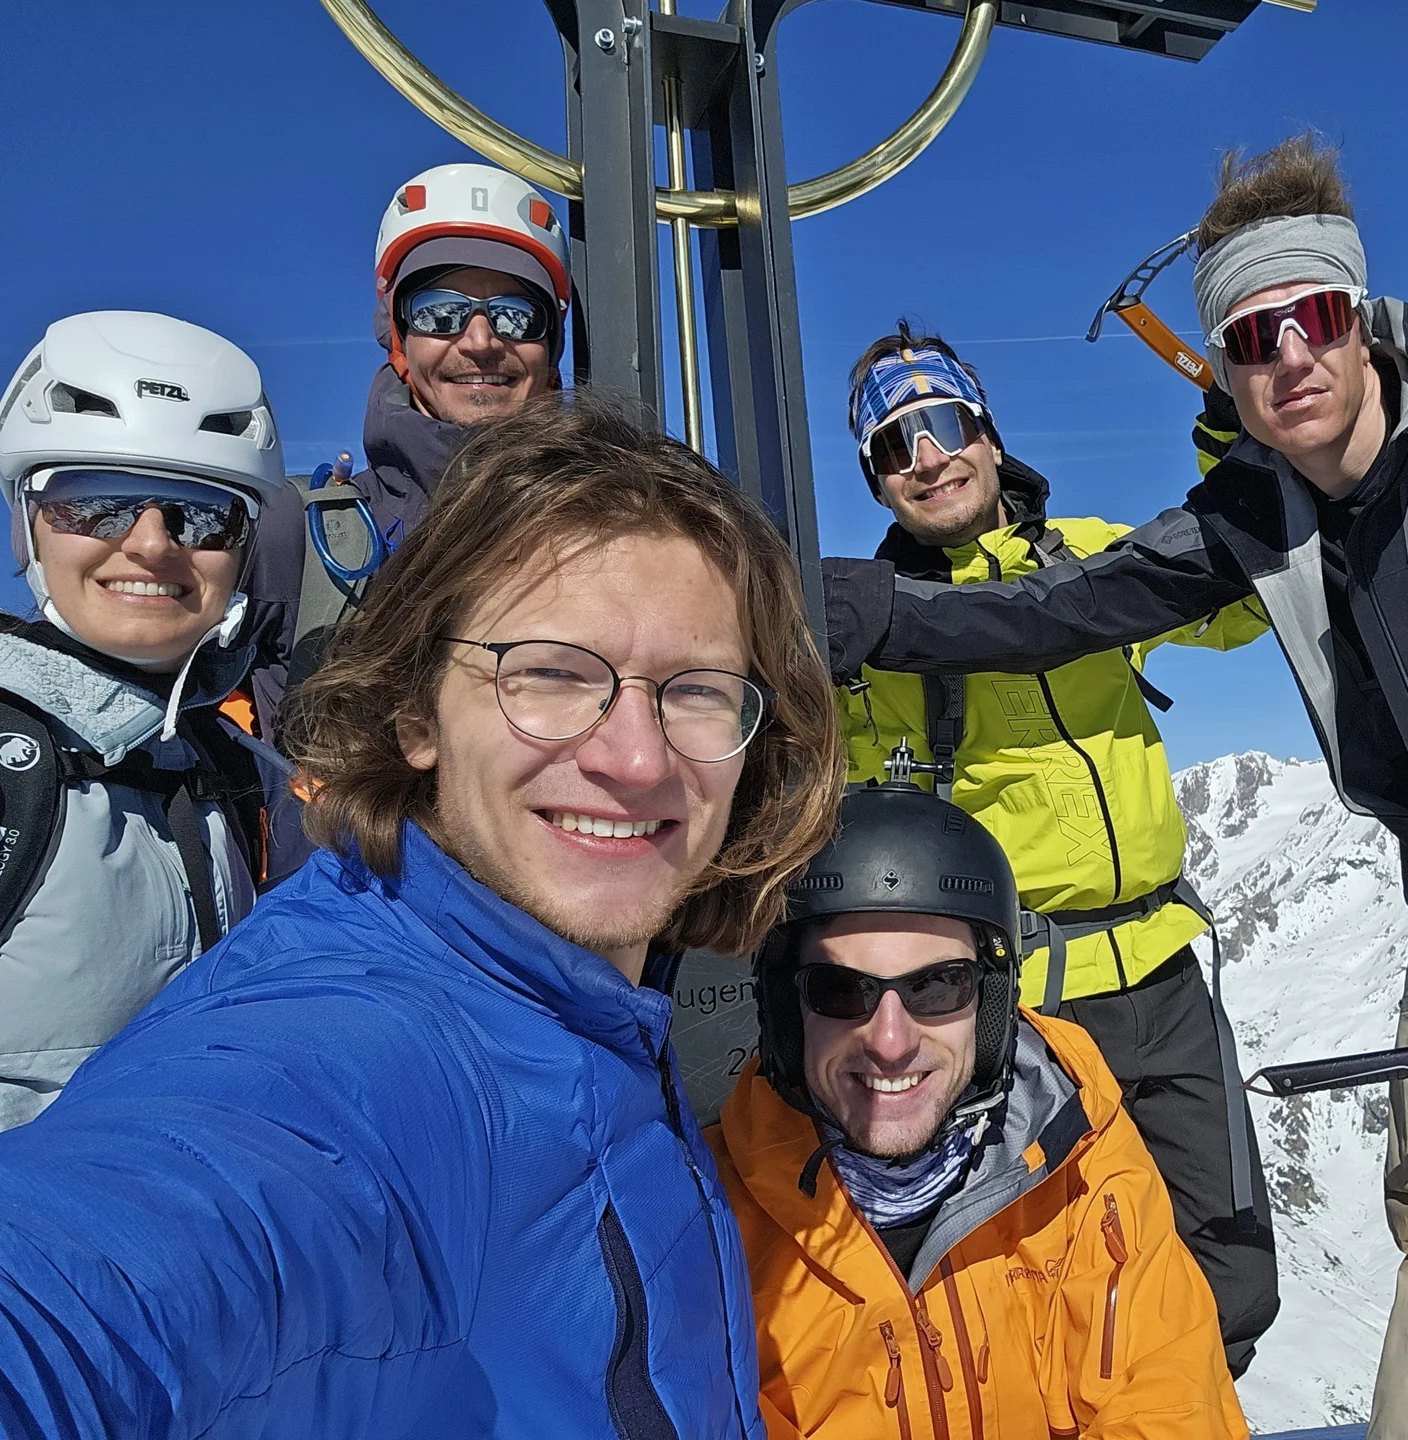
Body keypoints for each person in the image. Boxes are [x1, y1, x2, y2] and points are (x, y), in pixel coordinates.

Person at [826, 135, 1408, 1440]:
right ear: (1225, 368)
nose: (1290, 357)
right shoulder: (1258, 514)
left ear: (1361, 318)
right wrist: (880, 615)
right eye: (1251, 338)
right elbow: (1052, 617)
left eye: (1314, 317)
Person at [0, 392, 842, 1437]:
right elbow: (110, 1267)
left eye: (699, 689)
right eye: (549, 673)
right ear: (416, 715)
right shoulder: (349, 1041)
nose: (636, 758)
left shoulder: (595, 1004)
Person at [835, 325, 1278, 1374]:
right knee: (1059, 1288)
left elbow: (1242, 601)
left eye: (943, 425)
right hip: (1026, 999)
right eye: (894, 447)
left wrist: (1236, 439)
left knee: (1229, 1274)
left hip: (1164, 969)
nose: (927, 459)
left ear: (988, 436)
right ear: (878, 481)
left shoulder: (1090, 558)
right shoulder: (876, 628)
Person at [709, 779, 1249, 1440]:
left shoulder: (1076, 1147)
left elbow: (1168, 1398)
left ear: (991, 1003)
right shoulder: (705, 1225)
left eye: (938, 985)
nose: (890, 1041)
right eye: (841, 990)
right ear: (786, 1011)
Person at [0, 310, 297, 1130]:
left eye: (203, 515)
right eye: (95, 502)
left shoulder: (222, 763)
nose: (152, 544)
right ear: (27, 524)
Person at [245, 160, 572, 743]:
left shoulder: (610, 535)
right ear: (397, 336)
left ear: (551, 346)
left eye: (516, 315)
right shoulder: (292, 533)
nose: (480, 340)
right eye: (439, 312)